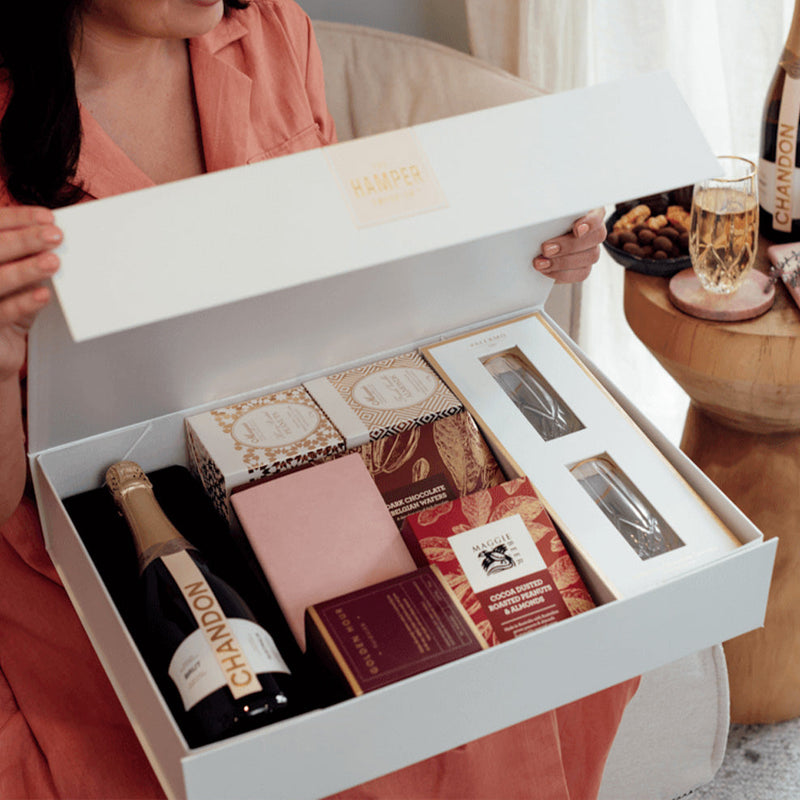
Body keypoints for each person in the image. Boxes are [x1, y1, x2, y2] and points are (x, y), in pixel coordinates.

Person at [0, 1, 629, 798]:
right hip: (76, 519)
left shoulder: (271, 32)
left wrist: (522, 254)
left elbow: (344, 278)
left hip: (303, 445)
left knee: (533, 660)